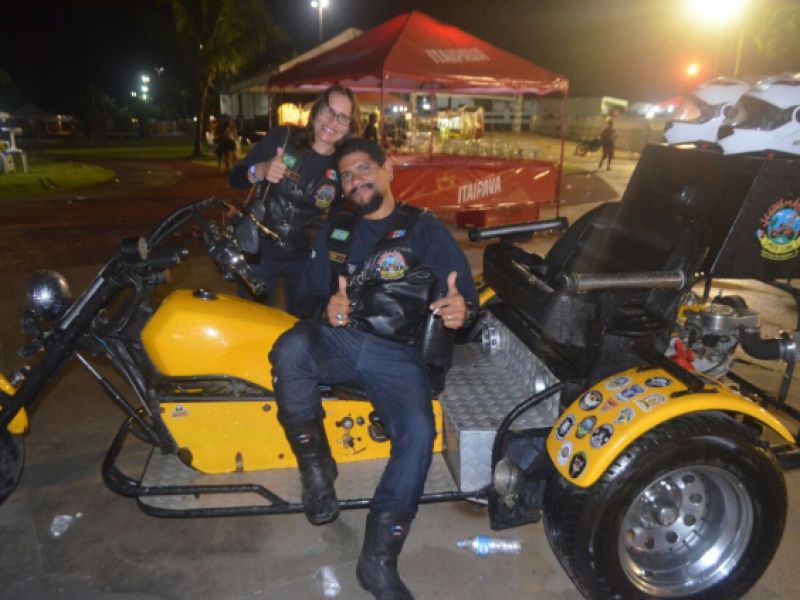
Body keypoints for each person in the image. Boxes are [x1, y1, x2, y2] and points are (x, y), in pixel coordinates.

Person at [269, 138, 478, 599]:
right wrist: (326, 307)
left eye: (364, 168)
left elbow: (463, 293)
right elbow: (305, 296)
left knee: (418, 434)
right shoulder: (336, 229)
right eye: (346, 175)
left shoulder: (424, 228)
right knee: (290, 349)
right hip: (339, 339)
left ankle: (378, 558)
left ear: (388, 169)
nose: (356, 181)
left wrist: (461, 309)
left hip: (398, 354)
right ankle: (317, 471)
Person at [229, 85, 360, 314]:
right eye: (328, 111)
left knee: (301, 327)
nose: (332, 122)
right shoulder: (283, 137)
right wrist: (261, 170)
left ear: (349, 126)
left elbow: (338, 215)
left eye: (342, 117)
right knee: (252, 321)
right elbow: (235, 178)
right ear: (316, 110)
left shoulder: (344, 164)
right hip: (259, 253)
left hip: (305, 261)